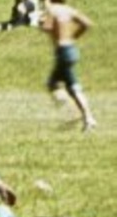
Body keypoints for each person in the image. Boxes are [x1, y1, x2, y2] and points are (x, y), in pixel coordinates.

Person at [41, 1, 97, 131]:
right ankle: (79, 114)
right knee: (56, 83)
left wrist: (41, 18)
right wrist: (73, 36)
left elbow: (47, 27)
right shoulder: (68, 9)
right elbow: (87, 24)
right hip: (71, 49)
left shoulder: (52, 10)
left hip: (62, 52)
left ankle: (82, 116)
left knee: (69, 86)